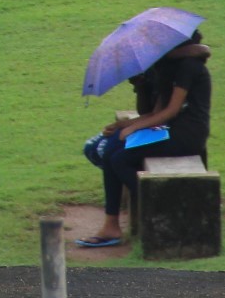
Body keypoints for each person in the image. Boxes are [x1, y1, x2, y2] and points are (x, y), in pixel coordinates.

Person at [78, 34, 213, 248]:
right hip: (169, 131)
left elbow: (171, 110)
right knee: (113, 154)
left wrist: (134, 127)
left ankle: (162, 210)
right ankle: (114, 222)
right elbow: (155, 111)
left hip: (186, 137)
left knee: (120, 159)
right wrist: (125, 125)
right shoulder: (171, 68)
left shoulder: (189, 67)